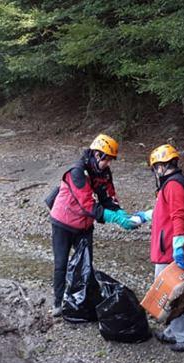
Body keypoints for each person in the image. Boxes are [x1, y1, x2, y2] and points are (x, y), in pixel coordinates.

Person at [48, 133, 138, 317]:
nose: (109, 164)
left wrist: (118, 211)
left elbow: (107, 195)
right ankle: (58, 302)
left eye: (111, 160)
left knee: (86, 263)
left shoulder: (103, 172)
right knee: (61, 263)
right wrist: (115, 219)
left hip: (84, 225)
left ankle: (84, 299)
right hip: (63, 223)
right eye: (107, 160)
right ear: (97, 155)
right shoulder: (77, 172)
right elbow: (88, 205)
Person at [134, 144, 184, 352]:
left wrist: (178, 249)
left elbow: (178, 217)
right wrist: (139, 218)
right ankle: (173, 331)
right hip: (169, 248)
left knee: (170, 293)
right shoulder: (173, 185)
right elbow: (161, 210)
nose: (155, 172)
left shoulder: (173, 185)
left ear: (161, 166)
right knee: (169, 290)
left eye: (155, 168)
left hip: (170, 251)